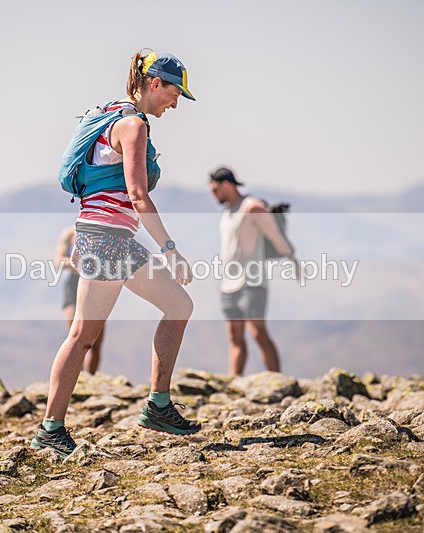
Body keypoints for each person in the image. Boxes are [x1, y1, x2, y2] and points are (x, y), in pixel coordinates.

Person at [31, 50, 201, 458]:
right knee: (83, 336)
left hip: (106, 238)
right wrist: (171, 250)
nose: (176, 102)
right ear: (155, 83)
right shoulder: (132, 126)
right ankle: (50, 430)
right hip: (107, 239)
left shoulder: (112, 116)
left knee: (177, 306)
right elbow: (139, 196)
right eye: (175, 92)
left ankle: (158, 406)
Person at [209, 166, 298, 376]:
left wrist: (292, 258)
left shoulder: (252, 208)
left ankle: (277, 380)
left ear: (227, 185)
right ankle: (234, 380)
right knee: (234, 335)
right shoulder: (227, 212)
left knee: (258, 332)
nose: (213, 195)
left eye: (215, 190)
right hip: (228, 283)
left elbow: (277, 238)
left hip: (252, 281)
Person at [54, 225, 104, 375]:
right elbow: (59, 261)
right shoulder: (69, 233)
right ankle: (74, 378)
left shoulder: (101, 231)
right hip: (74, 285)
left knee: (95, 342)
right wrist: (81, 265)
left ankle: (91, 379)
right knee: (74, 337)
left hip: (95, 285)